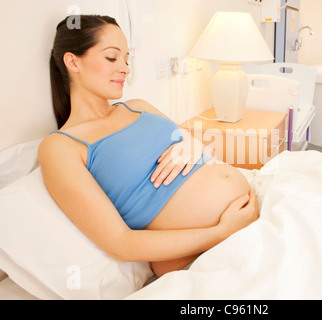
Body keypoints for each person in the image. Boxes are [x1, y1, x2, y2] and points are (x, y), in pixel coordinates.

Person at [38, 15, 259, 277]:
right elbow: (120, 243)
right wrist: (221, 231)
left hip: (247, 220)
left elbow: (189, 144)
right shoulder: (60, 146)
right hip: (205, 253)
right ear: (73, 61)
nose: (125, 68)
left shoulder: (139, 107)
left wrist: (193, 142)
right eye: (112, 57)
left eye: (126, 59)